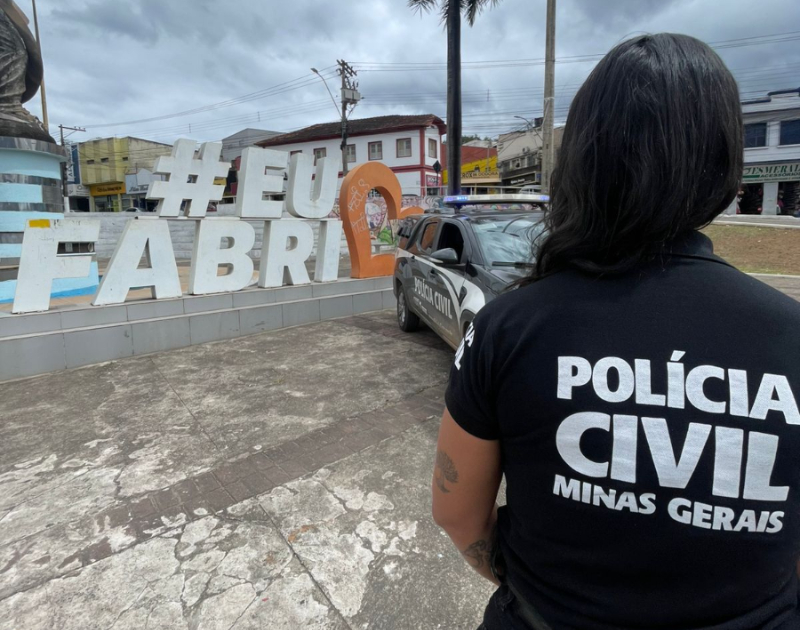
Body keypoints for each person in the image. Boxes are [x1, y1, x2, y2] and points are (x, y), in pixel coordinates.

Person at [433, 33, 800, 630]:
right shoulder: (790, 335)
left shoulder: (508, 327)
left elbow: (458, 514)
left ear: (583, 157)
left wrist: (536, 590)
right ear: (724, 164)